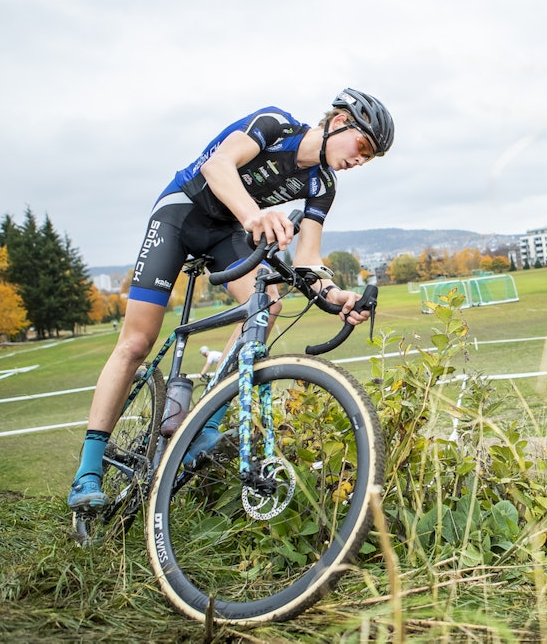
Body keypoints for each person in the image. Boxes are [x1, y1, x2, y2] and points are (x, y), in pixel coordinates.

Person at [68, 88, 394, 512]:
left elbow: (309, 260)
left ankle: (206, 417)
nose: (360, 160)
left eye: (369, 158)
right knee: (135, 343)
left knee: (269, 304)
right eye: (362, 146)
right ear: (338, 122)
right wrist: (253, 216)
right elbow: (218, 165)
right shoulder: (275, 125)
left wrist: (335, 296)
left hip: (226, 232)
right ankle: (88, 472)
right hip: (182, 213)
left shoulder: (322, 185)